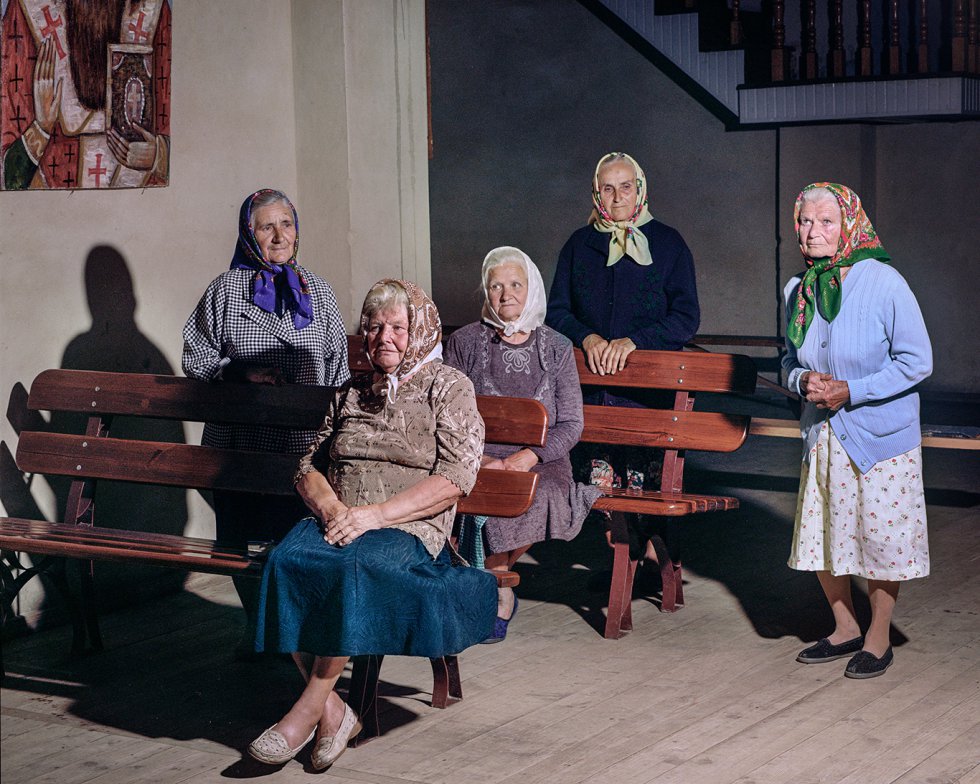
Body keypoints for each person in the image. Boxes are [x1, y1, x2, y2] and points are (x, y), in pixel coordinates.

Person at [248, 280, 496, 770]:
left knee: (355, 566)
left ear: (420, 329)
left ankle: (304, 711)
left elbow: (455, 479)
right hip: (340, 518)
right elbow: (308, 466)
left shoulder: (449, 387)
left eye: (399, 327)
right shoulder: (352, 391)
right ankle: (337, 711)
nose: (385, 336)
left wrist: (374, 516)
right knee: (285, 561)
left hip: (405, 526)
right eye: (375, 326)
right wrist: (331, 510)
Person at [182, 189, 349, 651]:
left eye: (287, 224)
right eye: (266, 226)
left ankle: (297, 636)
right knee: (237, 548)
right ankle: (265, 630)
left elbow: (338, 369)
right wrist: (238, 372)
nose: (279, 235)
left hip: (303, 448)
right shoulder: (225, 290)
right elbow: (195, 360)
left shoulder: (318, 290)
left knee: (299, 548)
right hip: (242, 444)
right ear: (248, 234)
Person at [782, 182, 932, 679]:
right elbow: (787, 362)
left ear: (849, 225)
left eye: (826, 221)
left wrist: (854, 390)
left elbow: (918, 361)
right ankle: (845, 626)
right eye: (805, 220)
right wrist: (802, 379)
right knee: (827, 536)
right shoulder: (796, 290)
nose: (813, 231)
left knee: (882, 542)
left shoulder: (884, 281)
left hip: (880, 438)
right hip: (823, 435)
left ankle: (878, 635)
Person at [546, 151, 700, 580]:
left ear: (641, 190)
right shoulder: (579, 245)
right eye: (607, 188)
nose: (617, 198)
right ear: (596, 193)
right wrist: (588, 337)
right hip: (594, 397)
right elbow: (557, 312)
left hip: (647, 399)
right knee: (598, 486)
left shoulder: (669, 244)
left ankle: (644, 556)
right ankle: (626, 557)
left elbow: (686, 318)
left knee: (643, 483)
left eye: (625, 187)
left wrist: (635, 342)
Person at [444, 247, 601, 641]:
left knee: (534, 492)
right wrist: (479, 459)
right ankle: (499, 585)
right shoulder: (463, 342)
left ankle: (495, 582)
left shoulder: (558, 347)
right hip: (475, 457)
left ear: (531, 289)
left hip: (542, 461)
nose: (506, 294)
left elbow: (571, 423)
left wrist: (522, 459)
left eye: (516, 284)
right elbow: (448, 415)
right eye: (496, 285)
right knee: (475, 490)